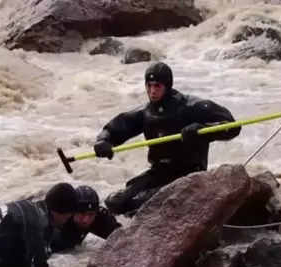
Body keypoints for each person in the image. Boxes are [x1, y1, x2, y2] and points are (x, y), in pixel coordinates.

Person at [92, 61, 242, 217]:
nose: (152, 91)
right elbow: (118, 127)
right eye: (149, 86)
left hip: (189, 173)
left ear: (168, 86)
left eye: (157, 86)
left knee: (141, 207)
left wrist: (204, 131)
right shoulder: (146, 112)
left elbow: (232, 126)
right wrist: (104, 140)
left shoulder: (192, 107)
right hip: (158, 172)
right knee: (115, 203)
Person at [49, 185, 122, 253]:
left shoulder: (104, 218)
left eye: (91, 214)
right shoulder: (62, 221)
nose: (86, 220)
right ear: (72, 212)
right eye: (82, 214)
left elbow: (121, 240)